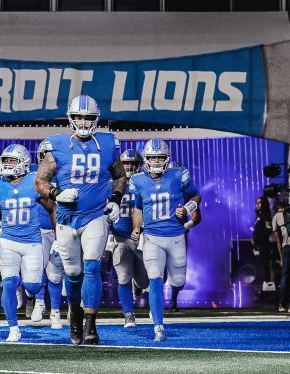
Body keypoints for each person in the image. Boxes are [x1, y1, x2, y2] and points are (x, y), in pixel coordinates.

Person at [35, 96, 127, 345]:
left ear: (96, 119)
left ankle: (91, 324)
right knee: (73, 273)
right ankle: (74, 312)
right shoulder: (57, 145)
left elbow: (120, 176)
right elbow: (39, 181)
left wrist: (116, 199)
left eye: (88, 117)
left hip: (95, 215)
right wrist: (57, 193)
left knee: (92, 267)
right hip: (66, 218)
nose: (83, 122)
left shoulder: (108, 143)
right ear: (71, 118)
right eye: (78, 117)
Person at [128, 138, 202, 342]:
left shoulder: (179, 175)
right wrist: (136, 228)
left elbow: (196, 197)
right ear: (146, 159)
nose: (157, 162)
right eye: (152, 157)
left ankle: (169, 300)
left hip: (176, 236)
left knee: (178, 281)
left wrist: (187, 209)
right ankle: (158, 326)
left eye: (160, 157)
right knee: (155, 280)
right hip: (152, 237)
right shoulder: (138, 180)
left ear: (167, 158)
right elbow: (138, 208)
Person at [0, 144, 51, 342]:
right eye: (5, 161)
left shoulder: (34, 181)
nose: (7, 165)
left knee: (33, 287)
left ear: (24, 163)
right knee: (9, 283)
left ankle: (35, 296)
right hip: (8, 241)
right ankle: (13, 328)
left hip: (32, 242)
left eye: (12, 161)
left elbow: (52, 209)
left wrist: (59, 236)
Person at [110, 149, 149, 327]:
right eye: (126, 164)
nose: (129, 167)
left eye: (132, 164)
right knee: (123, 277)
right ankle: (128, 315)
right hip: (119, 237)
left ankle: (139, 285)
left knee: (147, 279)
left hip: (141, 238)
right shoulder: (112, 184)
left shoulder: (143, 183)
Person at [34, 140, 65, 328]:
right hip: (37, 229)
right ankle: (38, 301)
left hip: (59, 229)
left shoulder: (64, 176)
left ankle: (55, 311)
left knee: (54, 274)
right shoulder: (32, 176)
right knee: (37, 270)